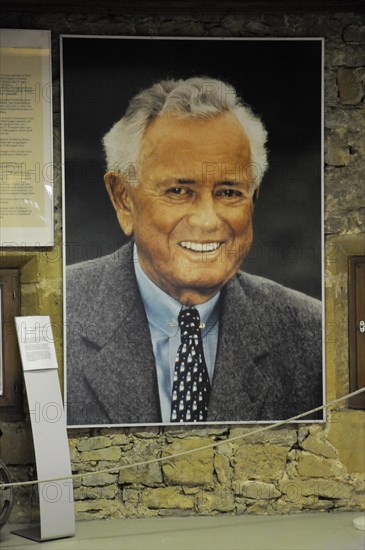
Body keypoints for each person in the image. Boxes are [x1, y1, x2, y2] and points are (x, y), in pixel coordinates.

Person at [66, 77, 323, 426]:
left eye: (229, 192)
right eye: (178, 190)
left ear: (254, 199)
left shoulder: (313, 335)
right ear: (123, 199)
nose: (206, 221)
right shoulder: (59, 316)